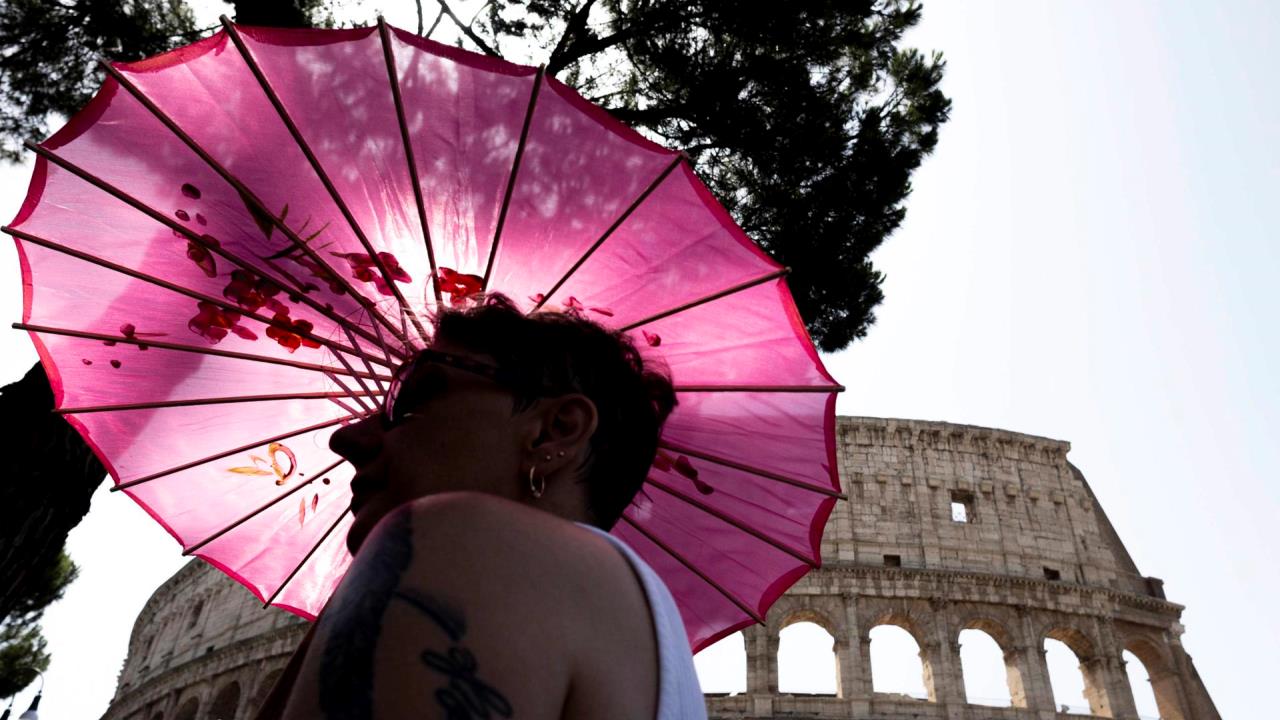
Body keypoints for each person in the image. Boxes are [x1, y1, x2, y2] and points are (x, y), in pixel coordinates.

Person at [256, 294, 707, 720]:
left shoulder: (461, 534)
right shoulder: (635, 636)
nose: (348, 438)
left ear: (553, 432)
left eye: (414, 397)